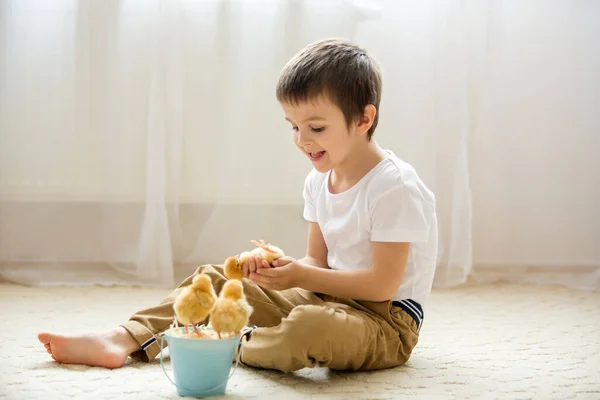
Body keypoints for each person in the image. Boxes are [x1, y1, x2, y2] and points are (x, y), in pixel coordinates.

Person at [38, 37, 438, 373]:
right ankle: (124, 338)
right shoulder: (319, 180)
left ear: (363, 120)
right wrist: (282, 269)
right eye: (294, 127)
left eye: (316, 128)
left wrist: (302, 277)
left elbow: (382, 285)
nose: (302, 140)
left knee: (308, 328)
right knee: (215, 279)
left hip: (385, 320)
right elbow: (318, 262)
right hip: (328, 298)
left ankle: (230, 344)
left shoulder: (394, 186)